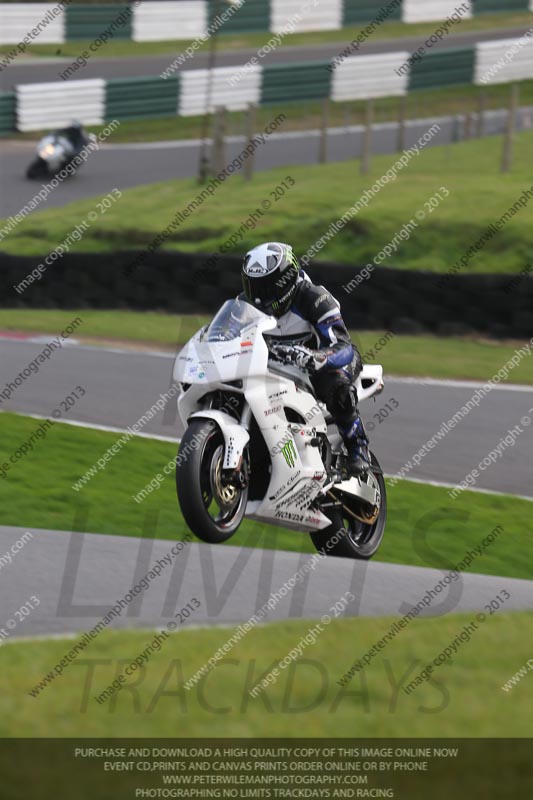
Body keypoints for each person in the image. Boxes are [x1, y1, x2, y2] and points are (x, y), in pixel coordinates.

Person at [241, 241, 370, 475]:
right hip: (278, 371)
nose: (260, 297)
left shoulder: (314, 298)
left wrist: (317, 357)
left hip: (327, 362)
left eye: (267, 287)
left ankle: (357, 447)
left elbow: (343, 346)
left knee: (338, 387)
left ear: (286, 280)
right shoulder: (245, 305)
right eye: (254, 287)